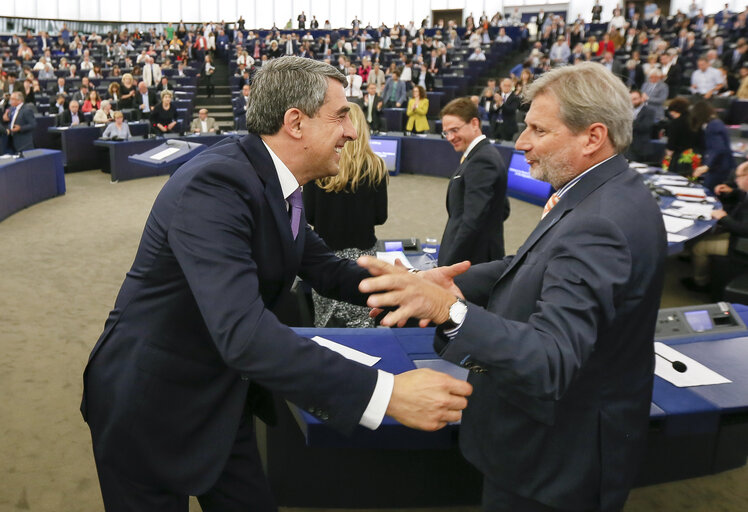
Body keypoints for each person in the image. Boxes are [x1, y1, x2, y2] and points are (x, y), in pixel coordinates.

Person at [82, 56, 471, 511]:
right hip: (148, 406)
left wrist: (413, 285)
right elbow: (244, 333)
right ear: (296, 122)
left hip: (222, 400)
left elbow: (328, 269)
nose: (351, 131)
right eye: (341, 115)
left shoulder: (275, 183)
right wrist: (386, 394)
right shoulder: (216, 185)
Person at [357, 61, 667, 512]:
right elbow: (536, 263)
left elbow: (550, 357)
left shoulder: (600, 222)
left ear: (593, 137)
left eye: (538, 130)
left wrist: (449, 310)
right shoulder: (603, 190)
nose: (521, 144)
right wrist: (448, 280)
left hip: (554, 462)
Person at [302, 103, 388, 327]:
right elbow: (381, 216)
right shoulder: (376, 166)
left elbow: (308, 215)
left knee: (326, 328)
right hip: (364, 261)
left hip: (325, 260)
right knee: (364, 326)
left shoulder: (318, 164)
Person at [438, 97, 509, 266]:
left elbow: (472, 221)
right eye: (446, 132)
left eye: (454, 130)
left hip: (470, 263)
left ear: (475, 123)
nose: (450, 137)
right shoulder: (477, 156)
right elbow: (503, 208)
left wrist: (448, 265)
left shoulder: (482, 160)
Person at [682, 161, 748, 293]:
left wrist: (723, 217)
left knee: (699, 248)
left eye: (739, 177)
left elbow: (744, 230)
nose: (735, 180)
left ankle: (701, 283)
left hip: (741, 245)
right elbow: (742, 196)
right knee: (702, 235)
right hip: (736, 235)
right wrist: (732, 191)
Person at [691, 100, 735, 191]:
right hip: (721, 165)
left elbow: (717, 148)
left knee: (709, 191)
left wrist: (707, 166)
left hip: (719, 166)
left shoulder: (713, 126)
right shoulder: (716, 123)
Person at [626, 89, 656, 163]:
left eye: (635, 99)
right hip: (627, 147)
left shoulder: (649, 111)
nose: (633, 101)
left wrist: (628, 122)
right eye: (630, 99)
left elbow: (645, 127)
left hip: (640, 147)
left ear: (642, 98)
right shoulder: (626, 111)